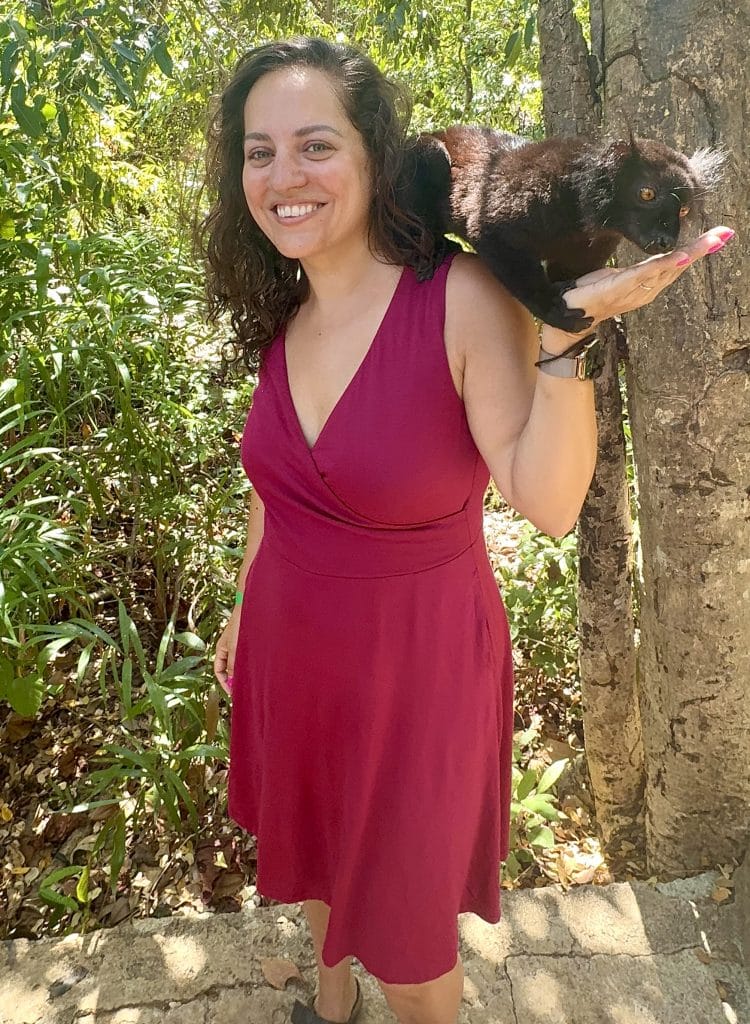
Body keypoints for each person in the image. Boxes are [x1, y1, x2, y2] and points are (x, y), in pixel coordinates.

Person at [203, 36, 733, 1024]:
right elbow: (273, 489)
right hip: (289, 649)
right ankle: (328, 1003)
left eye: (315, 145)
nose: (283, 176)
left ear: (373, 154)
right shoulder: (287, 312)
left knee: (411, 952)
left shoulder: (459, 298)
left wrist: (568, 336)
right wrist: (242, 602)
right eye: (259, 151)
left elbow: (548, 500)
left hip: (415, 673)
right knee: (313, 854)